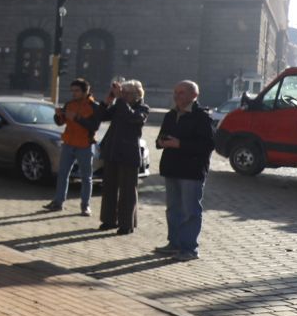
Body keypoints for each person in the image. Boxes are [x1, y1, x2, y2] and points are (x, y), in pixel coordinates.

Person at [153, 81, 216, 261]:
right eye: (175, 92)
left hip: (191, 171)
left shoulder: (202, 117)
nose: (177, 96)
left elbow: (208, 145)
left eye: (181, 93)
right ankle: (174, 244)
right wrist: (161, 142)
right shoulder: (171, 115)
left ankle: (189, 249)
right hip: (171, 168)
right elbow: (160, 138)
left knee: (190, 211)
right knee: (173, 209)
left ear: (193, 95)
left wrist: (180, 144)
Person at [96, 78, 148, 235]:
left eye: (125, 93)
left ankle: (127, 224)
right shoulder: (119, 104)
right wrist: (109, 99)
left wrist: (119, 99)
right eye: (122, 92)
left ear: (135, 95)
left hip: (128, 153)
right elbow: (101, 115)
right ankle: (109, 220)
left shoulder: (143, 108)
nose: (123, 95)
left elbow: (131, 117)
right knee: (109, 188)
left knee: (127, 190)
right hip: (112, 150)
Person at [43, 78, 101, 216]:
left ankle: (85, 206)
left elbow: (94, 126)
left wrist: (77, 118)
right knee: (62, 174)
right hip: (68, 144)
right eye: (72, 91)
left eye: (76, 91)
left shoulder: (94, 107)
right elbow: (60, 122)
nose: (73, 93)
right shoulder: (69, 104)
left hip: (85, 145)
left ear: (85, 91)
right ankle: (58, 202)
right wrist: (58, 116)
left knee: (86, 177)